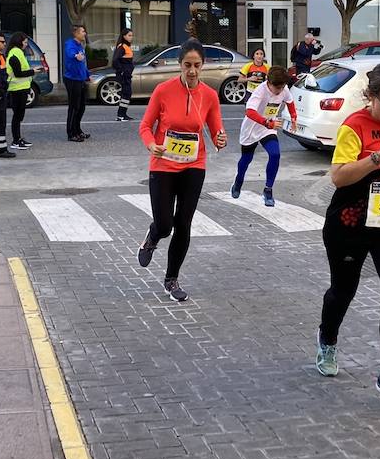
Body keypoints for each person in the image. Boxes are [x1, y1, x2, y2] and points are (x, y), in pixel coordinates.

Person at [315, 62, 380, 412]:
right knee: (343, 291)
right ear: (371, 97)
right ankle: (327, 338)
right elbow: (339, 177)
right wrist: (378, 157)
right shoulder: (354, 127)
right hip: (349, 221)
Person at [137, 39, 227, 302]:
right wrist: (151, 144)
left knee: (184, 224)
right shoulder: (163, 91)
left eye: (197, 65)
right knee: (166, 225)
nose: (192, 71)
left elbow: (216, 130)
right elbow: (145, 126)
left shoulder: (209, 96)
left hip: (194, 166)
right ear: (179, 65)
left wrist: (220, 139)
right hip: (163, 165)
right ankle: (152, 237)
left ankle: (171, 279)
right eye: (187, 65)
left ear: (203, 65)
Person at [231, 64, 297, 207]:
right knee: (246, 159)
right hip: (252, 127)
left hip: (268, 128)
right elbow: (249, 112)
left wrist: (294, 118)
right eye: (277, 88)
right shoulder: (260, 91)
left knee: (275, 154)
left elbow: (290, 102)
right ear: (268, 83)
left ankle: (268, 190)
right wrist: (266, 122)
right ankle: (238, 181)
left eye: (282, 87)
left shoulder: (283, 89)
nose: (280, 91)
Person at [6, 32, 36, 150]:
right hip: (16, 88)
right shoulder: (15, 54)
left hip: (21, 87)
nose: (26, 45)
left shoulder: (18, 52)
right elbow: (18, 73)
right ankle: (16, 140)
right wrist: (33, 71)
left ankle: (18, 138)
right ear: (19, 42)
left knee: (19, 115)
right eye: (25, 42)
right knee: (17, 116)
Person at [64, 23, 90, 142]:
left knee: (81, 107)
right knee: (74, 107)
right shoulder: (70, 44)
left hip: (81, 79)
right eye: (82, 32)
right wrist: (75, 56)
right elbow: (70, 53)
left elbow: (83, 63)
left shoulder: (80, 45)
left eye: (84, 31)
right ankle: (71, 133)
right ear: (76, 33)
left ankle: (78, 130)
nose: (84, 33)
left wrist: (87, 76)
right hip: (72, 79)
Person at [111, 29, 135, 122]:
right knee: (126, 93)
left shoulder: (127, 46)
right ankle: (121, 115)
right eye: (129, 35)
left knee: (127, 94)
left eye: (132, 35)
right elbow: (115, 60)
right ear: (124, 36)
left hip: (127, 74)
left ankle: (123, 114)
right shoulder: (122, 47)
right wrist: (121, 71)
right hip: (124, 75)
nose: (131, 37)